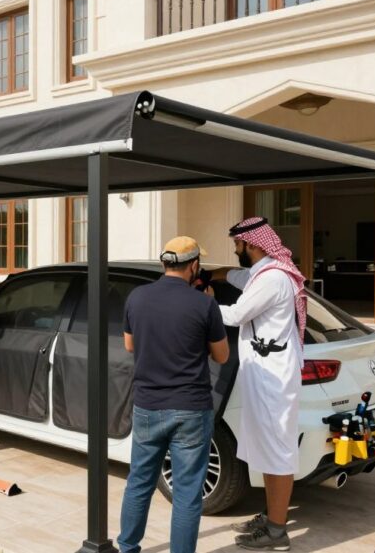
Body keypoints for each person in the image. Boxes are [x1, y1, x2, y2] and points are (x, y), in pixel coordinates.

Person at [117, 237, 230, 553]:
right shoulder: (204, 304)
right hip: (191, 408)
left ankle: (128, 547)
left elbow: (129, 345)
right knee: (186, 493)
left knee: (139, 482)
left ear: (165, 264)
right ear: (194, 265)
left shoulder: (137, 297)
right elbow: (221, 356)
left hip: (148, 405)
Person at [205, 217, 307, 551]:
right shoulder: (266, 272)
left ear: (253, 244)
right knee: (265, 448)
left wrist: (201, 302)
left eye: (238, 245)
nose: (236, 251)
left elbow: (235, 315)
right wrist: (215, 274)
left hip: (272, 376)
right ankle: (271, 515)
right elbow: (239, 276)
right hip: (266, 372)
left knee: (276, 451)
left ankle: (277, 531)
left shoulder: (273, 278)